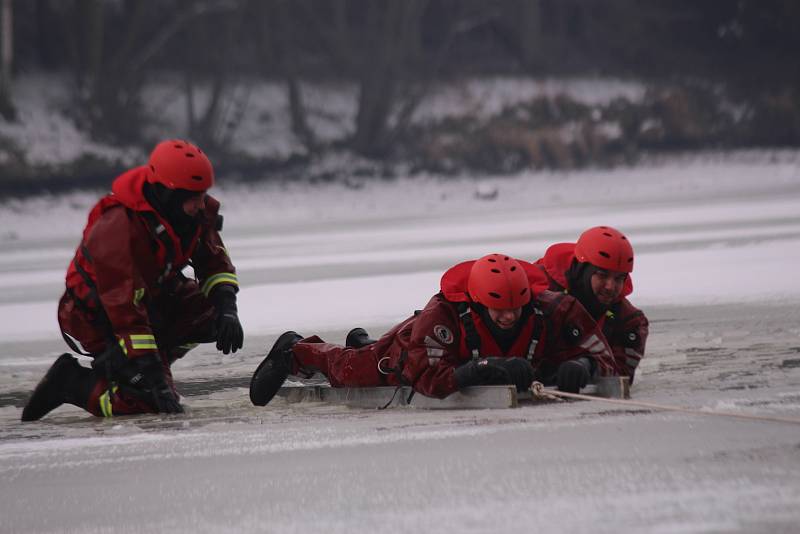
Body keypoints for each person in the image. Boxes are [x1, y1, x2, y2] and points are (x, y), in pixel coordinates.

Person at [21, 139, 244, 421]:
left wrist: (227, 308)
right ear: (167, 193)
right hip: (99, 320)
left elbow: (214, 261)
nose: (201, 205)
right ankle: (72, 383)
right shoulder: (117, 228)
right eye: (193, 198)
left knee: (210, 316)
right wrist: (154, 379)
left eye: (203, 195)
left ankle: (144, 364)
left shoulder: (188, 215)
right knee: (151, 405)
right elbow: (125, 313)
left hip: (151, 302)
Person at [250, 253, 616, 406]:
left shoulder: (553, 308)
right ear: (476, 302)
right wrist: (485, 369)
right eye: (498, 310)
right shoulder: (442, 314)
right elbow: (425, 377)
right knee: (350, 371)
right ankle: (294, 350)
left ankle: (363, 341)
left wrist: (585, 366)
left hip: (442, 353)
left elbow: (607, 359)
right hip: (409, 352)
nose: (508, 317)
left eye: (516, 310)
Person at [535, 226, 648, 383]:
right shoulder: (538, 289)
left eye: (619, 278)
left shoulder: (628, 320)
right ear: (583, 270)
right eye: (602, 275)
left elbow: (621, 378)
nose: (610, 286)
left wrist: (589, 366)